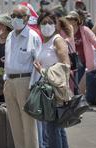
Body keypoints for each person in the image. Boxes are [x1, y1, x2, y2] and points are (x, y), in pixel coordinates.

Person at [4, 5, 41, 148]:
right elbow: (8, 60)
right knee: (15, 124)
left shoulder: (33, 37)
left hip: (26, 82)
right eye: (13, 16)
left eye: (19, 16)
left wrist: (33, 86)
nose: (15, 19)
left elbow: (37, 65)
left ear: (27, 18)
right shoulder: (9, 36)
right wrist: (6, 81)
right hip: (10, 82)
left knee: (29, 125)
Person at [32, 10, 71, 148]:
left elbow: (65, 66)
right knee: (57, 127)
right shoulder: (43, 43)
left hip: (55, 89)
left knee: (52, 128)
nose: (47, 25)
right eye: (43, 23)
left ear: (55, 25)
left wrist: (42, 71)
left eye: (50, 22)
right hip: (47, 89)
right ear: (38, 26)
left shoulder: (57, 40)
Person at [66, 11, 96, 87]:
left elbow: (95, 41)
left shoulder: (84, 30)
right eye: (67, 19)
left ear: (76, 20)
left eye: (71, 19)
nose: (69, 20)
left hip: (82, 61)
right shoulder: (66, 31)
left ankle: (79, 96)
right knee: (72, 82)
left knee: (78, 82)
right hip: (70, 61)